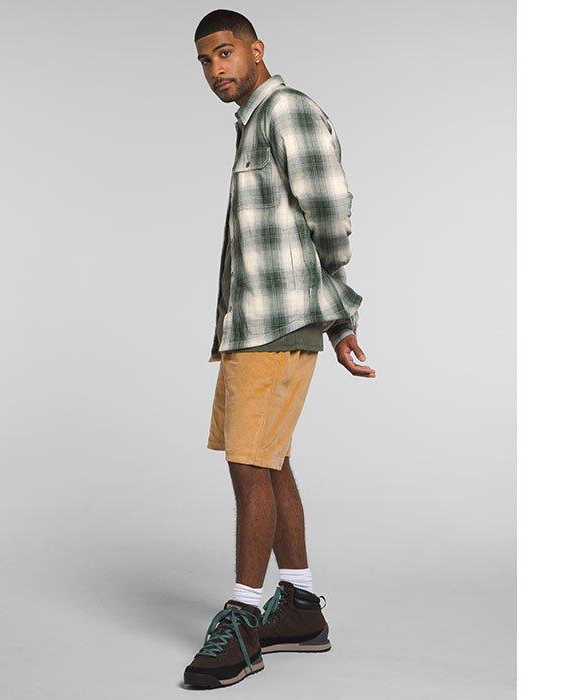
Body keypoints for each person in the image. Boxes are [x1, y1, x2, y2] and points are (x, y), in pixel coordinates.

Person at [184, 9, 376, 689]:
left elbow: (331, 211)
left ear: (256, 49)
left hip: (274, 323)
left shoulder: (286, 111)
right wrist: (336, 322)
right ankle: (298, 604)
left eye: (224, 53)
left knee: (248, 464)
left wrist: (339, 313)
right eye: (205, 61)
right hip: (256, 322)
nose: (215, 70)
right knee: (270, 460)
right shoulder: (252, 123)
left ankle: (242, 619)